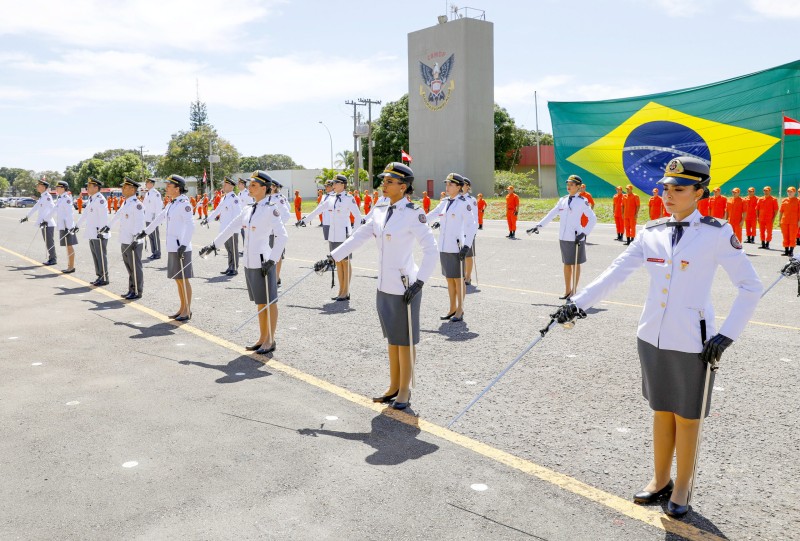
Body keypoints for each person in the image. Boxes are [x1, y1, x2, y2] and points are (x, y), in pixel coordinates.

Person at [553, 156, 761, 518]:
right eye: (666, 188)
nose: (669, 194)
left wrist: (727, 335)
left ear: (699, 192)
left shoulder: (716, 232)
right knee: (661, 410)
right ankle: (660, 478)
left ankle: (683, 486)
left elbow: (750, 286)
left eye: (679, 189)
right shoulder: (651, 231)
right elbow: (616, 272)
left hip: (694, 341)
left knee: (688, 416)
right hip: (651, 336)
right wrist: (577, 304)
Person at [314, 162, 437, 410]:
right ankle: (393, 386)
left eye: (390, 181)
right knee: (393, 340)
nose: (384, 184)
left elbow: (431, 249)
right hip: (384, 285)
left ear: (403, 187)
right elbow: (358, 236)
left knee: (405, 341)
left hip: (405, 286)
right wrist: (333, 257)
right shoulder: (379, 209)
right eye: (385, 180)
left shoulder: (413, 214)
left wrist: (420, 281)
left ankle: (405, 390)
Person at [200, 171, 287, 355]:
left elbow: (282, 236)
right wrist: (213, 245)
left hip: (264, 262)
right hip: (250, 262)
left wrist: (272, 259)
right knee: (260, 302)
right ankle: (262, 337)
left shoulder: (271, 208)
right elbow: (231, 226)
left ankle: (270, 340)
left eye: (254, 185)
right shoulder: (248, 208)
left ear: (264, 188)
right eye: (250, 185)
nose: (249, 187)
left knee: (269, 302)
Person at [528, 174, 597, 299]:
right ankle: (567, 291)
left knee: (576, 264)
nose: (568, 187)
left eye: (571, 185)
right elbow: (552, 213)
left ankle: (575, 292)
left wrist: (584, 233)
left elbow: (592, 218)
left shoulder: (582, 201)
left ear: (578, 187)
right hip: (564, 236)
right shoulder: (563, 200)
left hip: (576, 237)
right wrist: (538, 226)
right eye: (568, 184)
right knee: (566, 263)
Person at [300, 174, 361, 300]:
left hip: (344, 235)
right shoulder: (331, 198)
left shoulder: (349, 198)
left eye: (335, 183)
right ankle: (341, 291)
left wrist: (353, 234)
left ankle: (346, 291)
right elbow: (319, 209)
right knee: (338, 263)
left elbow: (358, 217)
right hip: (333, 235)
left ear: (342, 184)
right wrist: (305, 220)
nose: (333, 185)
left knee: (345, 262)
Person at [144, 175, 195, 320]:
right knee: (178, 279)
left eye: (169, 185)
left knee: (184, 279)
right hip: (173, 247)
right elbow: (159, 217)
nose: (166, 187)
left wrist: (184, 245)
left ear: (177, 188)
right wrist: (145, 232)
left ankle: (187, 310)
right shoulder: (172, 203)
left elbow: (191, 225)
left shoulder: (184, 204)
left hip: (182, 248)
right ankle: (182, 308)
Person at [427, 173, 477, 321]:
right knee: (449, 279)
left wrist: (466, 246)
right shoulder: (445, 202)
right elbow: (432, 214)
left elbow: (471, 226)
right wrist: (416, 220)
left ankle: (460, 309)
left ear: (459, 187)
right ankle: (452, 308)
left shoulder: (464, 203)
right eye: (446, 184)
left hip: (457, 247)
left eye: (450, 184)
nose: (447, 187)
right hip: (444, 246)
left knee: (458, 280)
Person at [102, 178, 146, 299]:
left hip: (133, 241)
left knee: (135, 267)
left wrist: (135, 239)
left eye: (125, 187)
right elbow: (117, 216)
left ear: (132, 189)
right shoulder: (126, 202)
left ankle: (137, 291)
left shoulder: (137, 205)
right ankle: (131, 289)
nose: (122, 189)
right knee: (129, 267)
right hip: (125, 239)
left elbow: (139, 223)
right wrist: (108, 227)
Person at [73, 177, 110, 286]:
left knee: (101, 256)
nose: (87, 188)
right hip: (92, 233)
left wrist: (101, 231)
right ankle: (99, 276)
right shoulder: (91, 199)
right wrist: (77, 225)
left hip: (99, 233)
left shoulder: (100, 199)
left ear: (96, 187)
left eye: (89, 186)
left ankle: (104, 278)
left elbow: (104, 217)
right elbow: (85, 214)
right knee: (96, 255)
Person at [203, 177, 241, 276]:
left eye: (225, 184)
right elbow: (217, 210)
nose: (223, 186)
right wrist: (207, 220)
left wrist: (233, 228)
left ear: (231, 186)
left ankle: (235, 267)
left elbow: (238, 215)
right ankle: (230, 266)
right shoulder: (224, 197)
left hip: (231, 229)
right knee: (228, 249)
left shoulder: (234, 199)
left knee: (233, 248)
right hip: (224, 229)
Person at [20, 178, 57, 265]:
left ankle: (53, 259)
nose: (37, 187)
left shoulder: (47, 197)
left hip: (48, 223)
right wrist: (27, 217)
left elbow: (53, 209)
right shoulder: (42, 197)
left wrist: (46, 220)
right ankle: (51, 258)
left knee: (49, 241)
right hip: (44, 223)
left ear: (44, 187)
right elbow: (35, 208)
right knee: (47, 242)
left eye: (39, 185)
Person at [267, 178, 292, 285]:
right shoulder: (268, 197)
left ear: (274, 187)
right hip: (268, 232)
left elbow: (287, 214)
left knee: (277, 255)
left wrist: (278, 226)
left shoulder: (278, 198)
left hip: (276, 232)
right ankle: (271, 276)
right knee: (269, 254)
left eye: (269, 185)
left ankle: (276, 277)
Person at [54, 180, 78, 273]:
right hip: (63, 226)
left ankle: (71, 267)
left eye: (58, 187)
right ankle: (69, 265)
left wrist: (69, 227)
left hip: (67, 227)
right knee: (67, 246)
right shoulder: (60, 198)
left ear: (63, 188)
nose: (56, 189)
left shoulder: (67, 198)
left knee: (69, 246)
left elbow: (70, 214)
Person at [461, 178, 479, 285]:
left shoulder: (471, 200)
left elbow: (475, 217)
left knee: (467, 256)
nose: (461, 186)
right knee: (459, 256)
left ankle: (468, 277)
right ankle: (462, 275)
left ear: (468, 186)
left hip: (468, 232)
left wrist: (473, 231)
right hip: (457, 232)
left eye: (463, 184)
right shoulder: (456, 199)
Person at [142, 178, 163, 260]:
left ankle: (157, 253)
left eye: (147, 183)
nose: (146, 184)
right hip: (147, 218)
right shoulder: (148, 193)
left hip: (153, 219)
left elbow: (158, 207)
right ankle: (153, 252)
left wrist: (157, 219)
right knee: (150, 236)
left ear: (151, 184)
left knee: (155, 236)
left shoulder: (156, 193)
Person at [779, 186, 799, 257]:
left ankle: (791, 251)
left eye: (791, 192)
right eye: (788, 191)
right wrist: (779, 220)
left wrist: (799, 221)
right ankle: (786, 251)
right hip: (784, 221)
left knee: (792, 237)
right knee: (785, 236)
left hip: (794, 222)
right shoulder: (784, 200)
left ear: (794, 192)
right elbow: (781, 211)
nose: (789, 193)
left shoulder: (798, 201)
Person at [238, 178, 254, 251]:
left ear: (243, 184)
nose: (238, 185)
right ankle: (245, 249)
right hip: (241, 217)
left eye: (239, 184)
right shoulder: (239, 193)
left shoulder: (247, 193)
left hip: (246, 217)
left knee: (246, 234)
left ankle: (247, 249)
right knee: (243, 234)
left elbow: (251, 205)